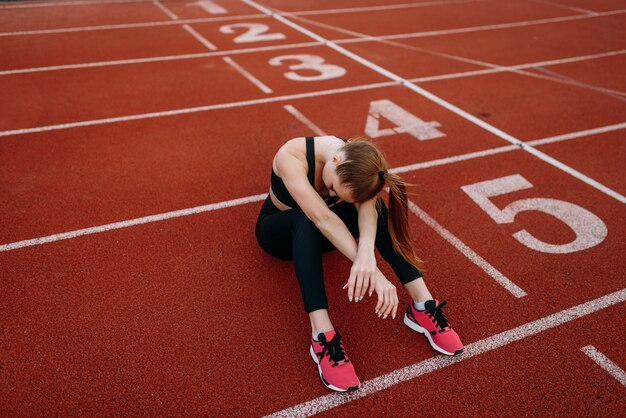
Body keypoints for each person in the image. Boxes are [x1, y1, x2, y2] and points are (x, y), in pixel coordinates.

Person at [255, 135, 463, 392]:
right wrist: (374, 273)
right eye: (333, 189)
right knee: (305, 219)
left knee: (378, 208)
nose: (331, 194)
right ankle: (322, 335)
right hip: (281, 234)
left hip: (325, 232)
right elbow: (322, 217)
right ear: (335, 160)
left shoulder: (359, 162)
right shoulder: (291, 156)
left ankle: (422, 304)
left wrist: (367, 251)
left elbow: (367, 210)